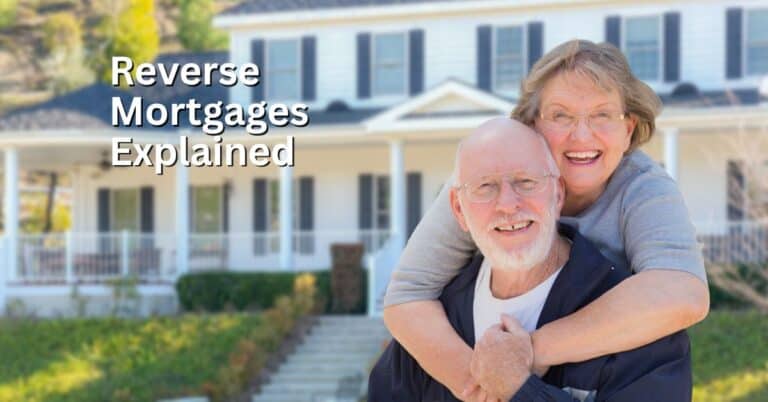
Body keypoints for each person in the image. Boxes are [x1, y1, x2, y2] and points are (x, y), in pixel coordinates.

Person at [382, 40, 709, 401]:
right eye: (561, 116)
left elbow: (683, 293)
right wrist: (478, 381)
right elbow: (407, 295)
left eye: (602, 115)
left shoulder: (644, 188)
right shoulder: (481, 181)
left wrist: (530, 351)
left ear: (628, 129)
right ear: (531, 124)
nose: (581, 135)